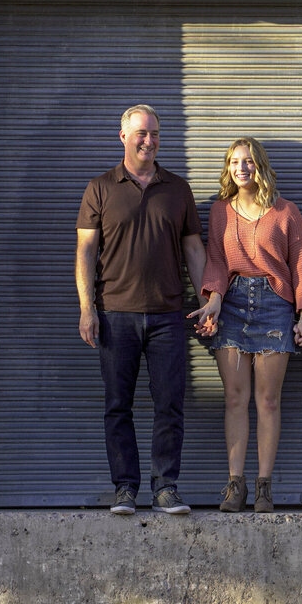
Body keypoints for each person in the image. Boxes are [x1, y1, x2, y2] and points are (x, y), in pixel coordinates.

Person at [75, 104, 208, 516]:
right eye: (140, 133)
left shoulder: (177, 188)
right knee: (118, 405)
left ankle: (166, 487)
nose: (148, 140)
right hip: (115, 314)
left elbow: (193, 249)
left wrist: (204, 301)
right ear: (123, 136)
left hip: (169, 314)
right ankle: (126, 489)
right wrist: (87, 309)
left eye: (154, 133)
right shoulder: (100, 188)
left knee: (170, 404)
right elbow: (85, 251)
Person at [190, 138, 302, 513]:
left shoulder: (286, 211)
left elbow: (301, 266)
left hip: (276, 305)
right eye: (234, 162)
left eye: (248, 161)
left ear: (260, 165)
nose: (241, 168)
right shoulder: (219, 212)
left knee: (268, 400)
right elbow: (214, 260)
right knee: (234, 399)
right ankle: (234, 485)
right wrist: (212, 298)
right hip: (232, 304)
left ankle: (263, 486)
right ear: (228, 169)